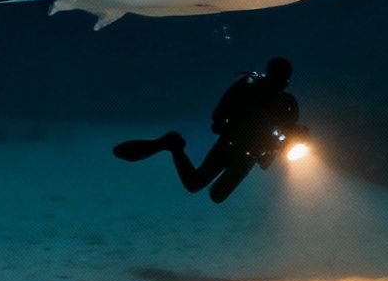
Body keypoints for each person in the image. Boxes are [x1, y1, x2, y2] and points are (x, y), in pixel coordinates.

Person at [114, 57, 302, 203]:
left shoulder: (287, 105)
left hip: (249, 156)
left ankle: (172, 144)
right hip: (229, 145)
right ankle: (173, 144)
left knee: (217, 196)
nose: (278, 84)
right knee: (194, 184)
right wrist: (224, 125)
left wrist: (276, 149)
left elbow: (288, 134)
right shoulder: (249, 87)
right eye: (277, 79)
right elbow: (222, 110)